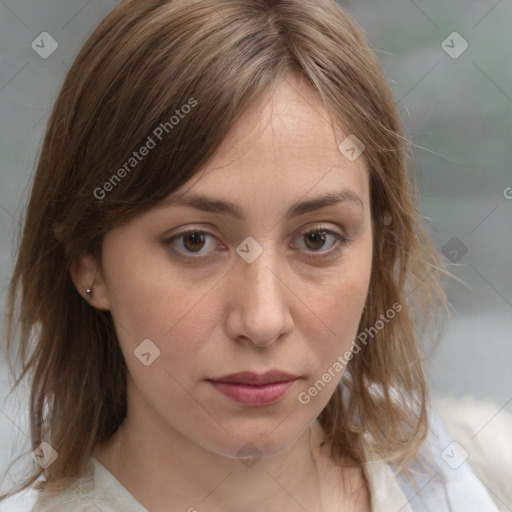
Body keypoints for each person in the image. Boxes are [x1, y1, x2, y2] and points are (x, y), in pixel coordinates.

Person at [0, 0, 506, 510]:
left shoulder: (470, 475)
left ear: (379, 246)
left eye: (316, 239)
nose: (262, 321)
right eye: (194, 241)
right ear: (89, 260)